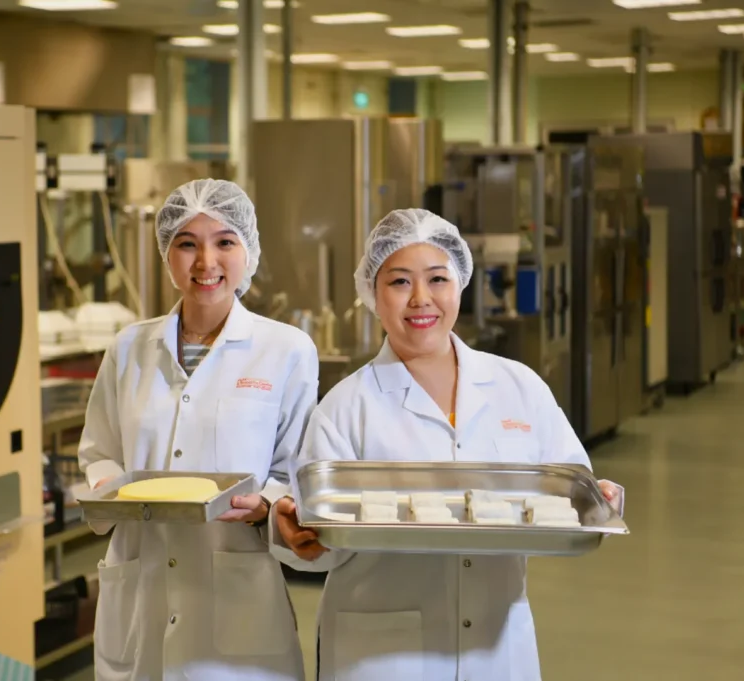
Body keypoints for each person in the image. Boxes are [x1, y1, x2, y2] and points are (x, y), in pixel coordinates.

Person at [272, 208, 625, 681]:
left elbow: (570, 486)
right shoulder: (345, 406)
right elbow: (318, 542)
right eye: (399, 282)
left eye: (437, 278)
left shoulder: (518, 386)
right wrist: (296, 536)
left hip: (496, 649)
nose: (421, 299)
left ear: (459, 283)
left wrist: (601, 497)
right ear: (373, 295)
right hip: (382, 656)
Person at [78, 179, 318, 681]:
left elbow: (293, 469)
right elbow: (99, 451)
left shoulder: (286, 349)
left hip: (236, 589)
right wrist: (107, 485)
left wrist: (266, 507)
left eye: (224, 242)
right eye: (187, 243)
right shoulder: (129, 348)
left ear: (247, 251)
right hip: (141, 582)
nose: (206, 262)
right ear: (167, 253)